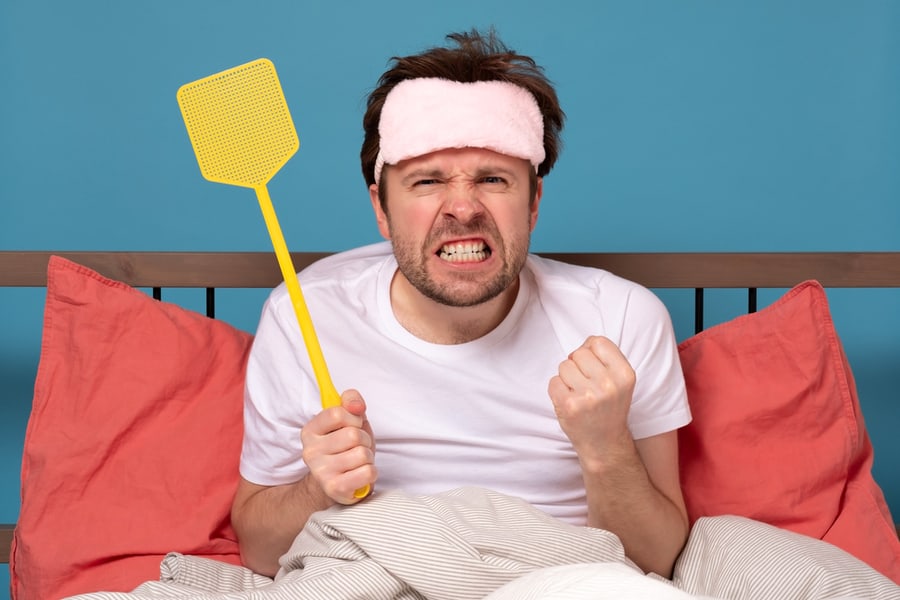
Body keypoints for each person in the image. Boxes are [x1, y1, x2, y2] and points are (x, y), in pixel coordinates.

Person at [231, 29, 692, 580]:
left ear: (534, 201)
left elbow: (659, 559)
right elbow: (259, 554)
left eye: (493, 179)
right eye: (426, 181)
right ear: (382, 208)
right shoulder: (304, 314)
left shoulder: (620, 319)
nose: (463, 208)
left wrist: (606, 449)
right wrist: (316, 489)